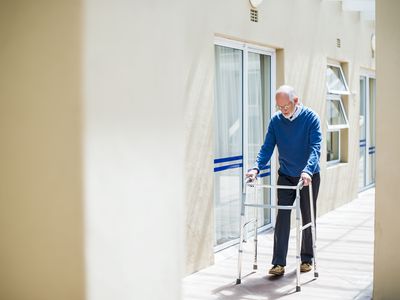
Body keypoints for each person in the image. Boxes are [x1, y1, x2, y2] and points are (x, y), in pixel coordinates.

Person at [245, 85, 322, 276]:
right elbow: (267, 147)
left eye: (285, 106)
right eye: (279, 107)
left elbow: (315, 148)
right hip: (286, 174)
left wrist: (307, 171)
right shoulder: (276, 121)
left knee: (307, 216)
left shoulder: (311, 118)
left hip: (308, 176)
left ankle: (306, 258)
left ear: (295, 101)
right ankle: (278, 263)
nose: (282, 110)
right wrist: (256, 167)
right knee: (283, 217)